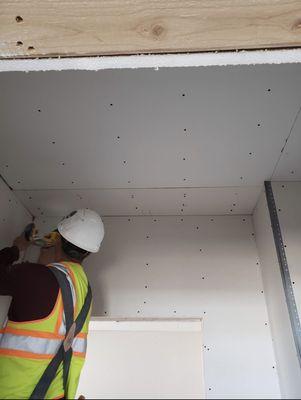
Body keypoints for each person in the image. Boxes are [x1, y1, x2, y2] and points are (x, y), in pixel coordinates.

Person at [0, 209, 105, 399]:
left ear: (57, 238)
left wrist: (16, 248)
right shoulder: (85, 290)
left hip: (12, 392)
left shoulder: (37, 277)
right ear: (89, 251)